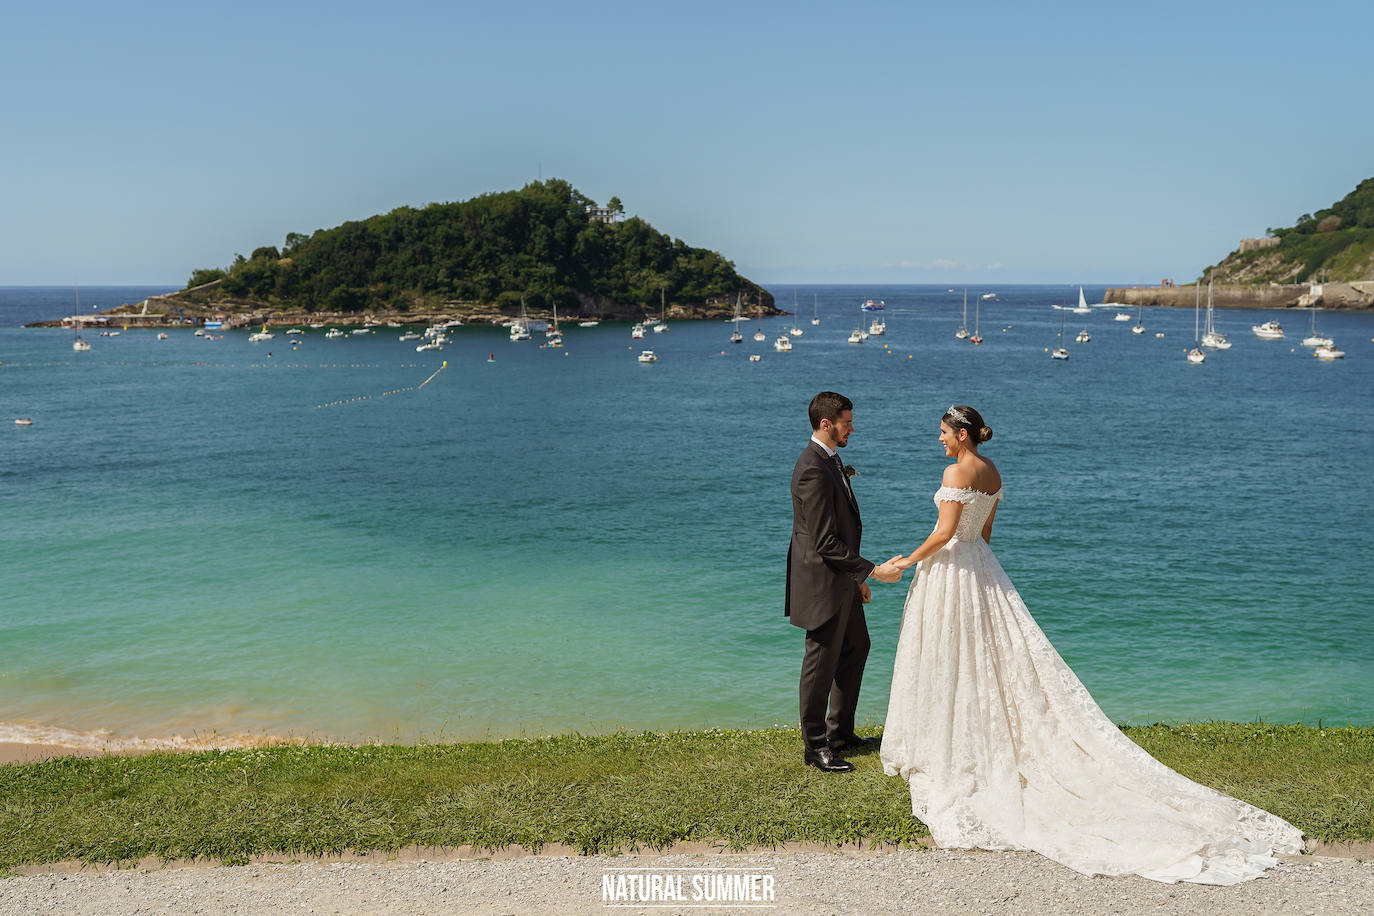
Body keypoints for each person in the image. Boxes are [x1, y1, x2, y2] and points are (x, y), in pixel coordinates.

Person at [878, 405, 1303, 884]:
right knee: (988, 656)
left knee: (951, 656)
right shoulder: (992, 471)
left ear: (961, 434)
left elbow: (946, 531)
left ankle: (952, 744)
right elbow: (984, 532)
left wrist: (904, 564)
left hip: (955, 568)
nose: (939, 440)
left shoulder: (956, 469)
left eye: (942, 432)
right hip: (981, 564)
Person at [787, 391, 901, 773]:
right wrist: (871, 571)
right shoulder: (812, 467)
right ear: (826, 424)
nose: (852, 428)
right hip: (821, 583)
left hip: (841, 581)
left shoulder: (830, 461)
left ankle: (841, 734)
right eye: (847, 422)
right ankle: (816, 746)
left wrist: (855, 581)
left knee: (856, 648)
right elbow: (824, 541)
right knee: (820, 664)